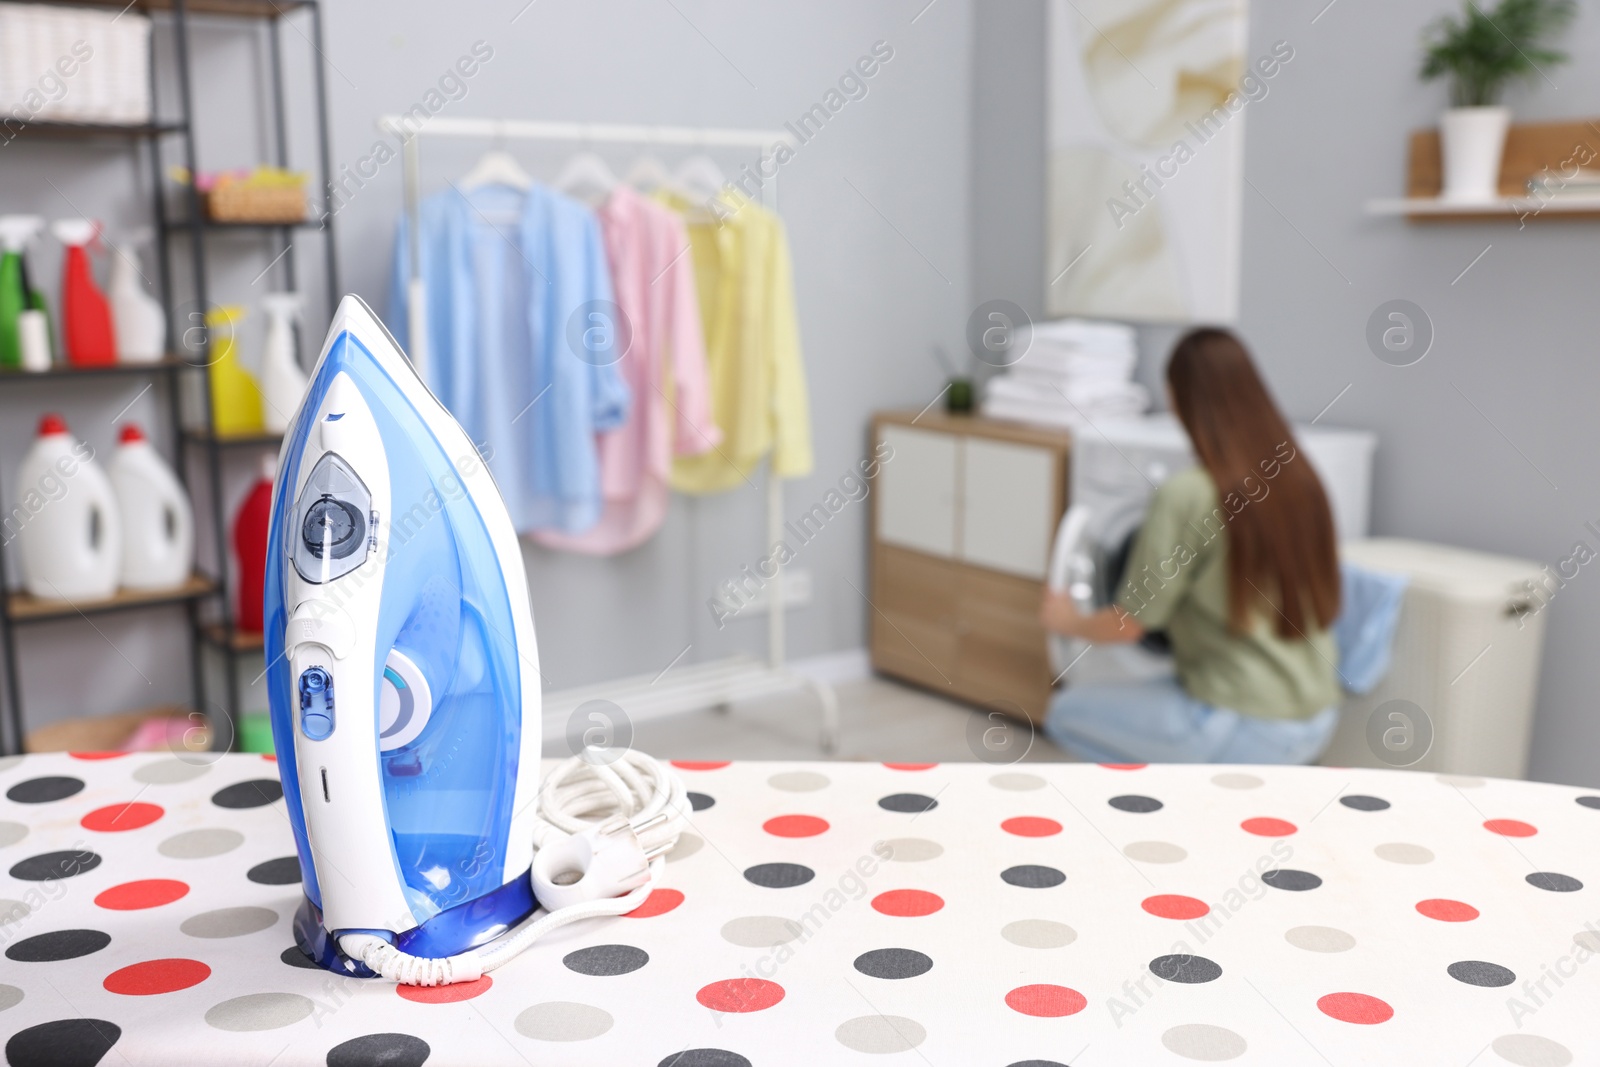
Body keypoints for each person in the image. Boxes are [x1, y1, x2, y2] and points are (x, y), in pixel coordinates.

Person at [1039, 327, 1342, 764]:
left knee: (1066, 714)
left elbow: (1129, 625)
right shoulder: (1298, 479)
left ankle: (1181, 804)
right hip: (1317, 718)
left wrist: (1068, 620)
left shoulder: (1188, 493)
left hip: (1244, 724)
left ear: (1180, 399)